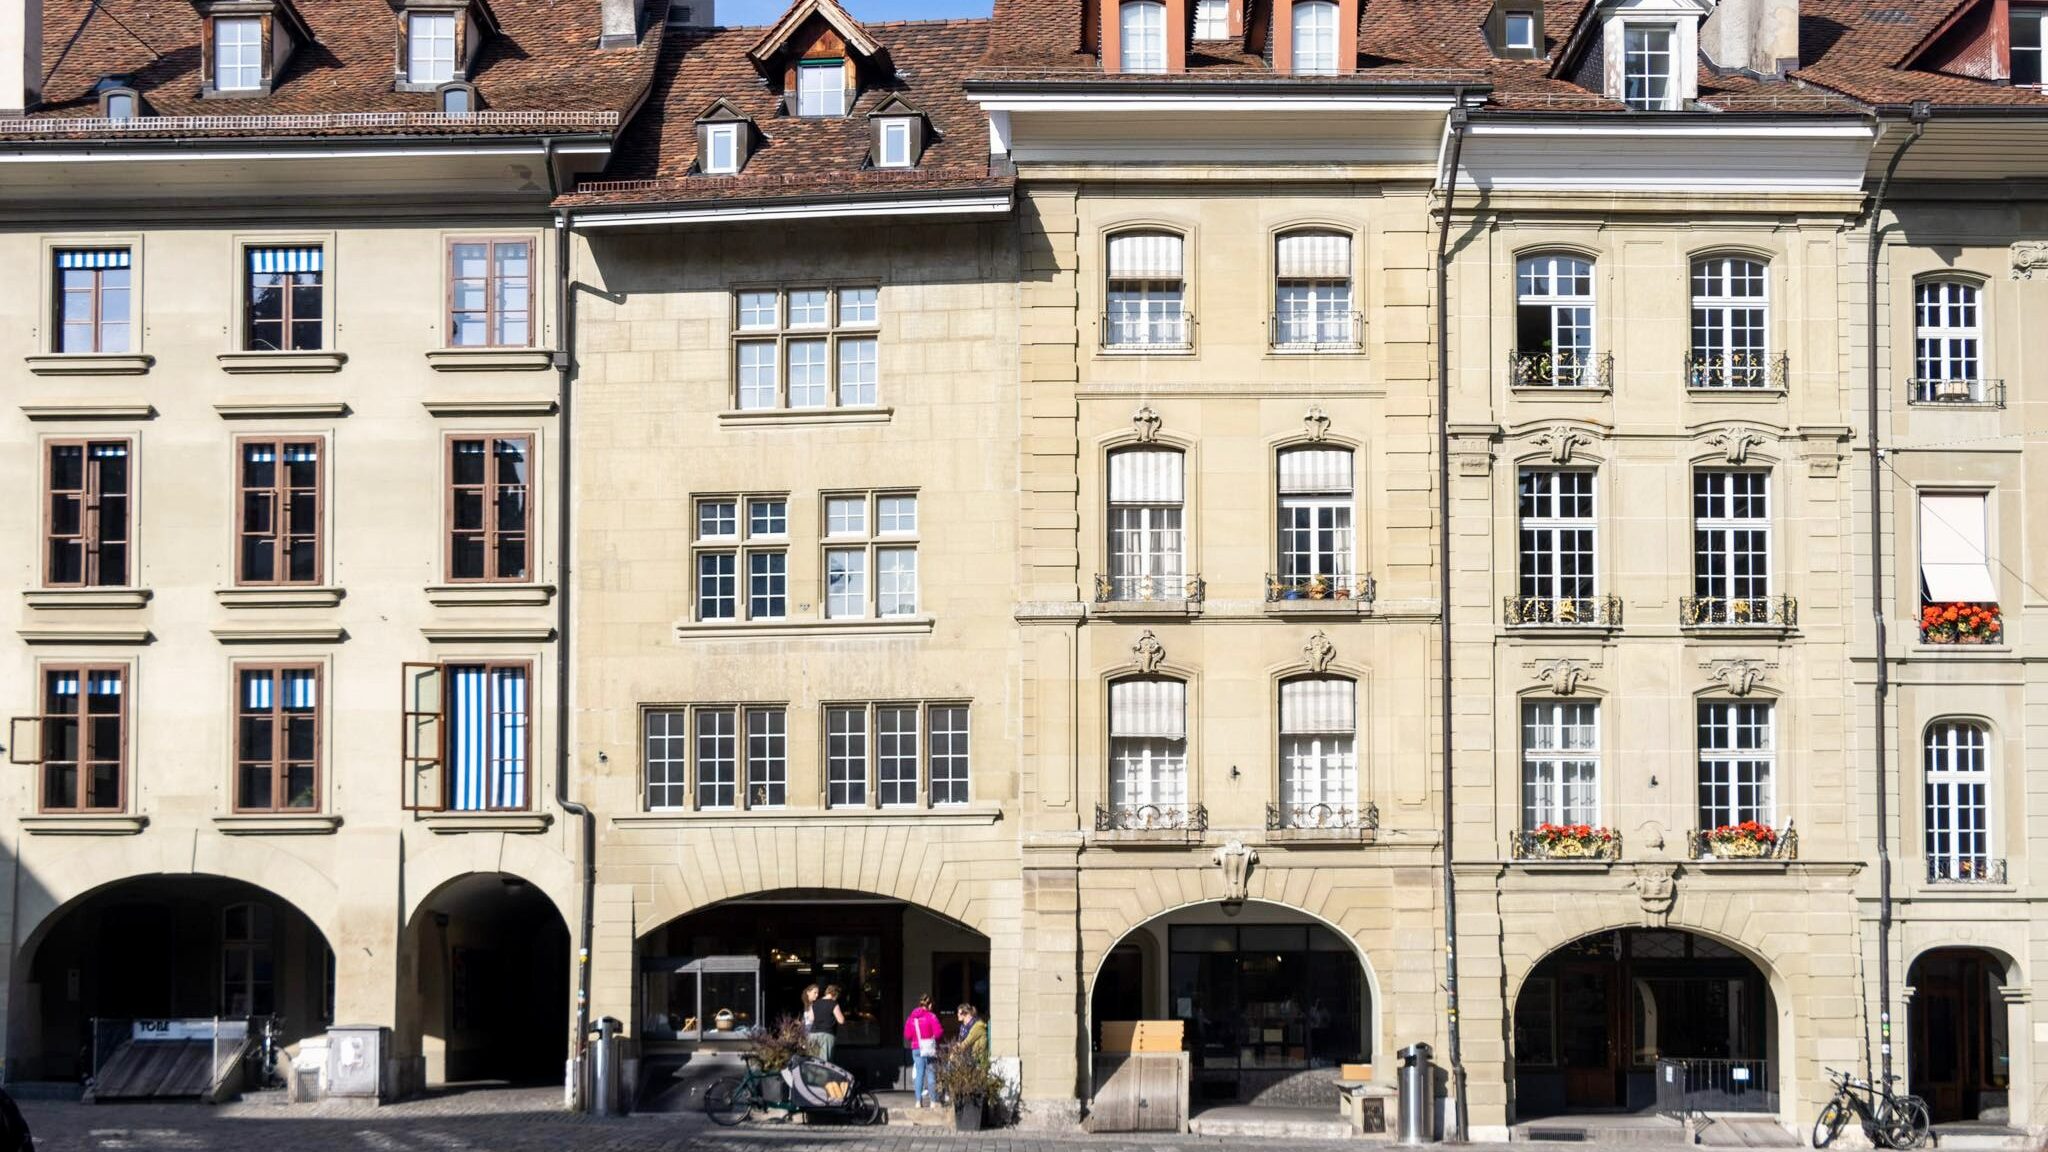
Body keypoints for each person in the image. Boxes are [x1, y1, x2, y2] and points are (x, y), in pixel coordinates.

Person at [904, 994, 943, 1108]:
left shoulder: (911, 1018)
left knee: (919, 1074)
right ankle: (933, 1101)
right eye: (932, 1005)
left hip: (916, 1048)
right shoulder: (931, 1017)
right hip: (929, 1048)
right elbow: (939, 1032)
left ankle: (918, 1101)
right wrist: (931, 1037)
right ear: (929, 1004)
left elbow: (907, 1035)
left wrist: (917, 1039)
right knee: (931, 1073)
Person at [809, 984, 845, 1063]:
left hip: (813, 1034)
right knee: (825, 1063)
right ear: (834, 994)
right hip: (827, 1035)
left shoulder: (815, 1003)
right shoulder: (833, 1004)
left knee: (812, 1061)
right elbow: (841, 1020)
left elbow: (811, 1018)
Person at [955, 1002, 988, 1068]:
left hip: (977, 1059)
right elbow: (960, 1041)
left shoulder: (977, 1026)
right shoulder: (963, 1027)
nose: (958, 1015)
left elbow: (967, 1042)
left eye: (960, 1013)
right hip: (968, 1058)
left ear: (967, 1014)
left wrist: (955, 1052)